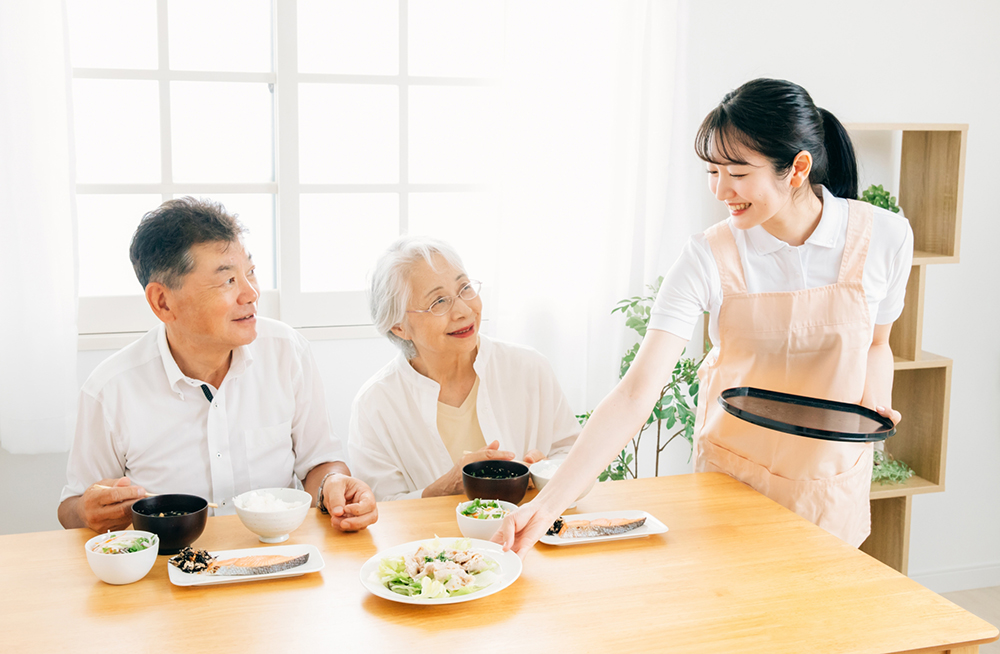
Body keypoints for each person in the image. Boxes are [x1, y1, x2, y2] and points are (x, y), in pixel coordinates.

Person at [495, 78, 913, 555]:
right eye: (712, 172)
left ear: (797, 168)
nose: (720, 190)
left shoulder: (886, 237)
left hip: (829, 481)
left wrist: (874, 405)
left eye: (736, 173)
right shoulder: (706, 256)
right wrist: (546, 507)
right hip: (732, 480)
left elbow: (878, 343)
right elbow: (636, 392)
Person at [58, 197, 378, 533]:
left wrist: (333, 484)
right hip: (168, 570)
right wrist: (88, 511)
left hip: (277, 558)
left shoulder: (287, 351)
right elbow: (71, 509)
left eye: (250, 272)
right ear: (163, 302)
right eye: (228, 281)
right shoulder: (110, 389)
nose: (251, 293)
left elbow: (320, 464)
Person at [348, 236, 580, 501]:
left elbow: (573, 455)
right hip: (432, 543)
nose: (463, 310)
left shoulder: (529, 368)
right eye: (439, 302)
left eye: (465, 288)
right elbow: (381, 512)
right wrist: (445, 487)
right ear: (399, 327)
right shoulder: (375, 404)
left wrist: (545, 471)